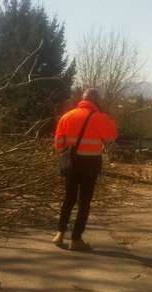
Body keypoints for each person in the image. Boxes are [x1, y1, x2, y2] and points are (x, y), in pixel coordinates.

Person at [52, 89, 118, 250]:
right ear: (96, 101)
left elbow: (59, 144)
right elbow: (111, 137)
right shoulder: (101, 118)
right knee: (84, 202)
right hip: (91, 162)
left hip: (72, 162)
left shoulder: (67, 116)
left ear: (82, 99)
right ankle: (76, 239)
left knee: (69, 199)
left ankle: (59, 234)